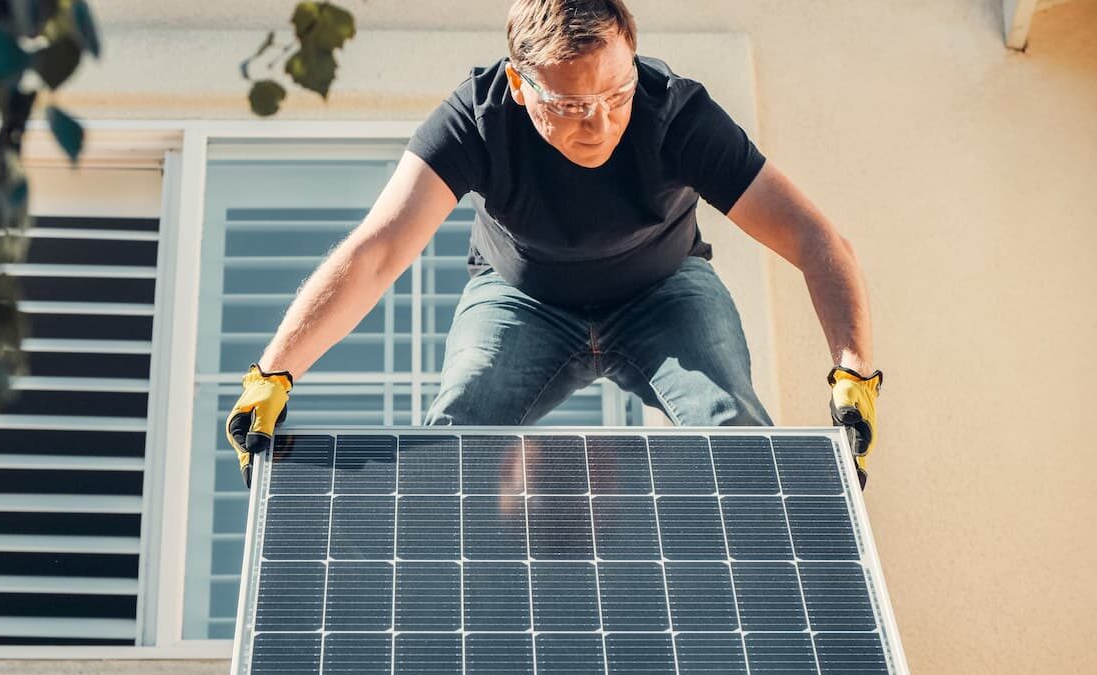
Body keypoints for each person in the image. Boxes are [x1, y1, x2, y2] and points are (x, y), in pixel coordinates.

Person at [226, 0, 883, 490]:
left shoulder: (678, 117)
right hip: (521, 301)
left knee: (732, 425)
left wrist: (854, 375)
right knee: (456, 433)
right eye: (570, 105)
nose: (599, 123)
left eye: (617, 93)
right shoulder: (478, 120)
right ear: (520, 85)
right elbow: (376, 253)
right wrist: (273, 374)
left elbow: (816, 239)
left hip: (665, 293)